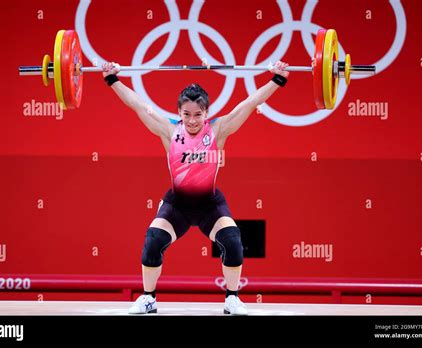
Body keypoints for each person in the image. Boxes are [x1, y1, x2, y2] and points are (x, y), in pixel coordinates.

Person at [102, 61, 290, 315]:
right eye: (187, 114)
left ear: (206, 113)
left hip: (209, 205)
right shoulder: (169, 131)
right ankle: (148, 298)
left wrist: (277, 79)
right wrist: (112, 79)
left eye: (198, 114)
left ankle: (232, 299)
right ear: (179, 112)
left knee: (233, 240)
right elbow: (137, 104)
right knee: (153, 240)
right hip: (176, 205)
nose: (192, 120)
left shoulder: (218, 130)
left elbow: (249, 103)